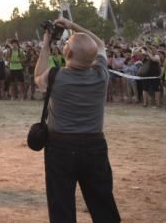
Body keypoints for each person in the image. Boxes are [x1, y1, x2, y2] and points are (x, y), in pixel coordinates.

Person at [34, 17, 120, 223]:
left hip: (60, 146)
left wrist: (46, 41)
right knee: (102, 202)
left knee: (61, 204)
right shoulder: (101, 74)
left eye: (67, 44)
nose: (65, 44)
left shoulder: (56, 76)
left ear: (68, 54)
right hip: (94, 145)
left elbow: (38, 75)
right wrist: (73, 26)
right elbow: (99, 43)